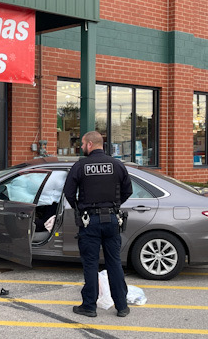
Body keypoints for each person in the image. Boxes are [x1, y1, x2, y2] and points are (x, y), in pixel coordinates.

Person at [63, 131, 133, 318]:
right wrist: (114, 206)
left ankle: (89, 306)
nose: (82, 147)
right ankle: (122, 306)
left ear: (89, 145)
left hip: (89, 221)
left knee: (91, 264)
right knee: (114, 263)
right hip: (112, 220)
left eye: (83, 144)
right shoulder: (117, 165)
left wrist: (80, 209)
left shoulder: (80, 166)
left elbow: (68, 193)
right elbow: (128, 190)